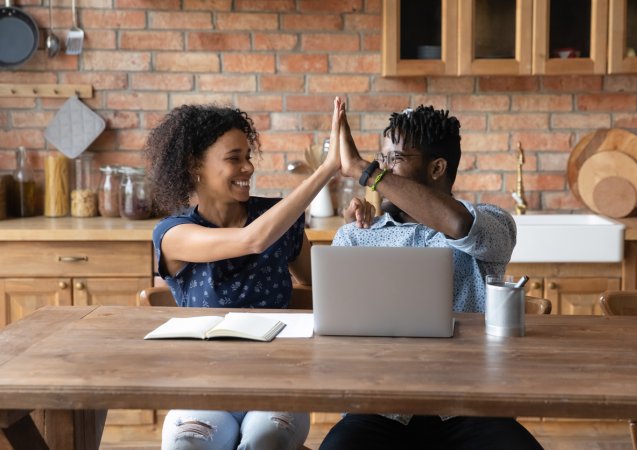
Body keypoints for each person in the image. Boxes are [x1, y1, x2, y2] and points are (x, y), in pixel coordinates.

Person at [319, 105, 543, 450]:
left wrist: (365, 171)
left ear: (437, 167)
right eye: (381, 159)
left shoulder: (493, 224)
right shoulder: (357, 236)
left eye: (394, 160)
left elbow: (459, 225)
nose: (382, 169)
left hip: (470, 407)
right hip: (380, 408)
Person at [146, 97, 344, 450]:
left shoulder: (278, 219)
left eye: (248, 156)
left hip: (276, 386)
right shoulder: (173, 233)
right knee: (187, 445)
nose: (248, 168)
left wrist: (363, 229)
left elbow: (322, 281)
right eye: (233, 158)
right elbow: (252, 240)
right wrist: (327, 169)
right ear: (196, 164)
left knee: (264, 442)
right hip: (203, 389)